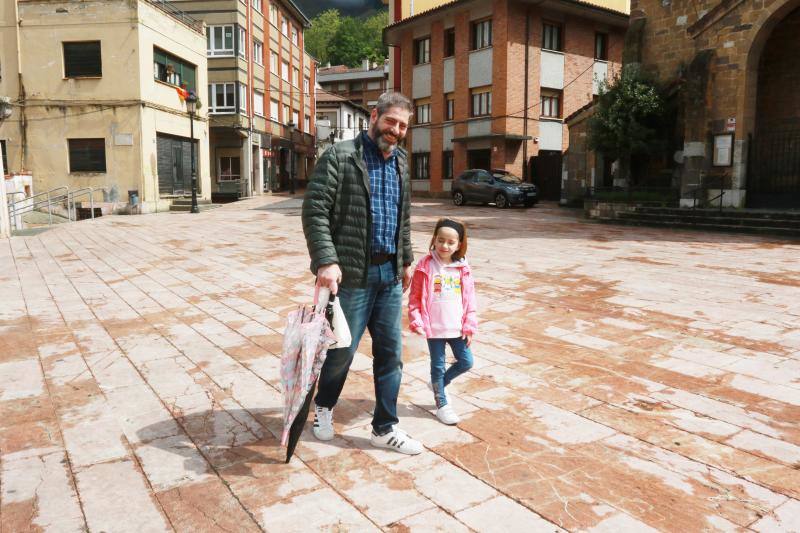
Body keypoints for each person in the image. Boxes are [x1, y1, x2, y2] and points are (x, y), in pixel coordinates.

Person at [301, 92, 423, 455]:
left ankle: (385, 427)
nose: (396, 131)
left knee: (391, 354)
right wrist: (326, 260)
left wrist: (406, 259)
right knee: (342, 351)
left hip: (388, 276)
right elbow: (315, 211)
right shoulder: (340, 157)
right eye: (391, 122)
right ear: (374, 116)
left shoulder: (401, 161)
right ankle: (324, 406)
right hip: (352, 275)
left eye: (403, 126)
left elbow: (403, 217)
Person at [408, 218, 477, 425]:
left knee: (466, 362)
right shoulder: (425, 265)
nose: (444, 246)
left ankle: (439, 384)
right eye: (441, 240)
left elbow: (470, 298)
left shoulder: (462, 267)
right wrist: (416, 319)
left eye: (450, 242)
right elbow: (415, 296)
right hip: (434, 328)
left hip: (457, 327)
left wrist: (470, 325)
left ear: (459, 245)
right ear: (434, 240)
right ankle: (442, 403)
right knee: (437, 366)